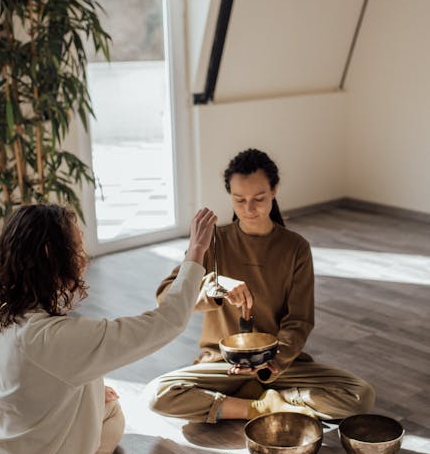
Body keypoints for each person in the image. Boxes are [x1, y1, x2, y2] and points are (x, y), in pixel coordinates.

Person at [0, 203, 216, 454]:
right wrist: (196, 252)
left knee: (110, 410)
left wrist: (88, 394)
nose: (84, 257)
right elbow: (166, 322)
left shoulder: (4, 324)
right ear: (51, 255)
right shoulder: (54, 338)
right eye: (76, 247)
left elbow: (33, 391)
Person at [147, 148, 375, 424]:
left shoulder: (295, 248)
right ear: (229, 195)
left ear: (274, 190)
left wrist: (274, 362)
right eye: (239, 200)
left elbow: (299, 321)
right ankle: (266, 407)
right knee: (159, 394)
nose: (249, 209)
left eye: (259, 198)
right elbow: (166, 298)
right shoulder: (214, 242)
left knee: (360, 395)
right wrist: (214, 286)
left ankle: (252, 397)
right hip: (222, 364)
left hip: (278, 364)